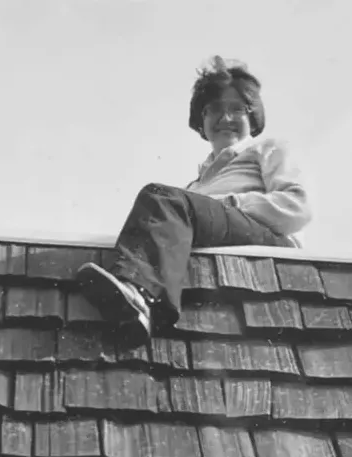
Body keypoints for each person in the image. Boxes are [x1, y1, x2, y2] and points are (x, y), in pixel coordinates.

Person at [76, 56, 312, 342]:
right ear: (202, 121)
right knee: (162, 211)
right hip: (220, 233)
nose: (225, 119)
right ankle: (140, 309)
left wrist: (234, 203)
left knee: (163, 200)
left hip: (268, 240)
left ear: (253, 117)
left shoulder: (268, 148)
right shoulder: (197, 185)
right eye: (214, 110)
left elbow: (297, 206)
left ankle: (140, 291)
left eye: (237, 109)